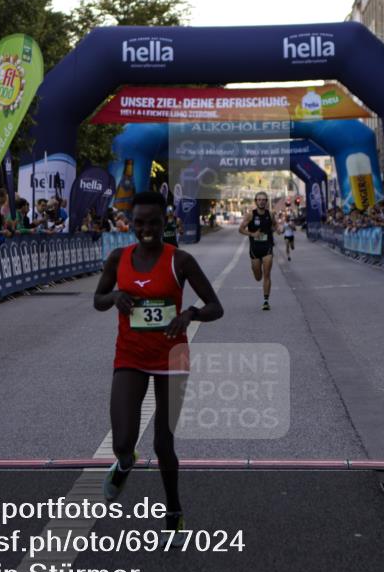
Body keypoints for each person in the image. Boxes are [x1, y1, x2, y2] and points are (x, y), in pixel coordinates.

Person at [93, 191, 223, 544]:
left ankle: (174, 511)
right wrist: (115, 297)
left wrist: (190, 314)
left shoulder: (179, 260)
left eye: (152, 222)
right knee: (122, 441)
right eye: (139, 223)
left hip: (172, 359)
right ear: (130, 224)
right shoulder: (118, 258)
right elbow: (98, 301)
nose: (146, 229)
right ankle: (124, 463)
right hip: (130, 356)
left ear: (164, 223)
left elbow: (215, 306)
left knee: (164, 444)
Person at [239, 191, 279, 310]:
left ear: (266, 202)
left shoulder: (270, 214)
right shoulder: (250, 215)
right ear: (256, 201)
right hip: (255, 249)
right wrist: (252, 234)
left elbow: (275, 225)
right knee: (258, 277)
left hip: (267, 247)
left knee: (267, 274)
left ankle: (266, 300)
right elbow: (240, 229)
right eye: (259, 199)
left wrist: (278, 229)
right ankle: (257, 273)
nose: (261, 201)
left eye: (264, 200)